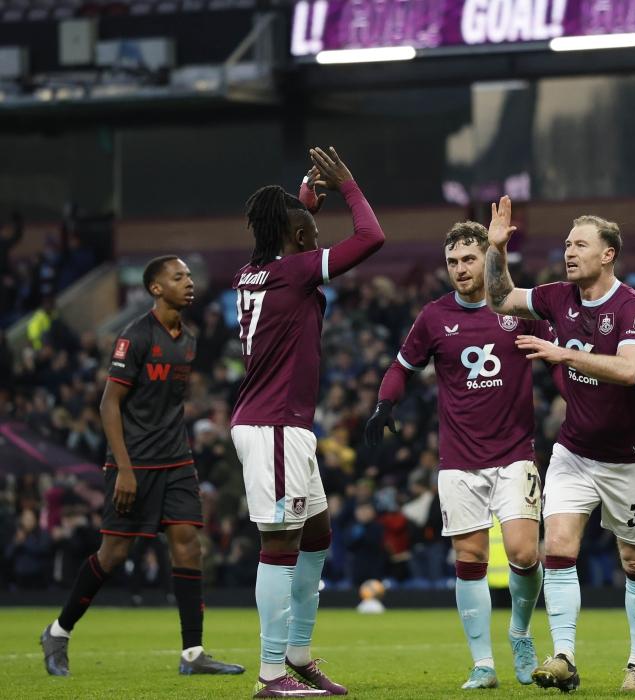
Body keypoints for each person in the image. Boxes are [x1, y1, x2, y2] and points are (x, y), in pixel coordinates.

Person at [363, 221, 552, 690]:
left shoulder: (518, 307)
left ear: (488, 259)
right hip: (459, 460)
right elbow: (401, 367)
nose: (461, 269)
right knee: (469, 558)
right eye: (453, 262)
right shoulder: (433, 316)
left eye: (469, 259)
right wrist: (385, 404)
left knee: (524, 553)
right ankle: (483, 663)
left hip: (514, 453)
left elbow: (559, 351)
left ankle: (520, 632)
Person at [484, 196, 635, 692]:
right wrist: (496, 249)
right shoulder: (557, 296)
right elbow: (501, 298)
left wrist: (562, 354)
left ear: (608, 254)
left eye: (581, 244)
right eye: (566, 244)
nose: (569, 252)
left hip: (630, 457)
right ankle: (563, 656)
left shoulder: (632, 308)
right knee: (558, 547)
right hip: (574, 452)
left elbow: (628, 370)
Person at [40, 256, 244, 677]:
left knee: (187, 543)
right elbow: (108, 404)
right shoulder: (134, 337)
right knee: (113, 555)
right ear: (155, 288)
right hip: (133, 462)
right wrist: (124, 469)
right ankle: (58, 632)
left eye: (189, 276)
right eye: (178, 277)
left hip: (177, 459)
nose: (189, 282)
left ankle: (193, 654)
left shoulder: (189, 340)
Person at [230, 147, 384, 698]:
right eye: (312, 234)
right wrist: (348, 185)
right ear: (297, 239)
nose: (318, 242)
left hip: (280, 423)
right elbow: (371, 238)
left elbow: (286, 237)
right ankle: (271, 672)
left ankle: (296, 652)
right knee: (280, 543)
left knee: (317, 533)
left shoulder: (253, 273)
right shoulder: (295, 272)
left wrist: (302, 205)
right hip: (274, 425)